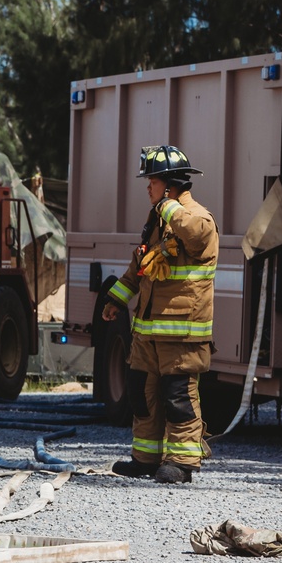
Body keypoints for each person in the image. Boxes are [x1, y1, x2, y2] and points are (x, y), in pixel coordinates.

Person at [103, 145, 217, 484]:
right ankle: (145, 459)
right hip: (147, 334)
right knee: (142, 395)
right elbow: (139, 268)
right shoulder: (157, 224)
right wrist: (116, 300)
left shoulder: (196, 218)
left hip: (181, 336)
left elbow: (197, 235)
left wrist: (168, 206)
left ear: (168, 185)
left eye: (151, 182)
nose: (146, 188)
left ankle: (182, 463)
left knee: (178, 397)